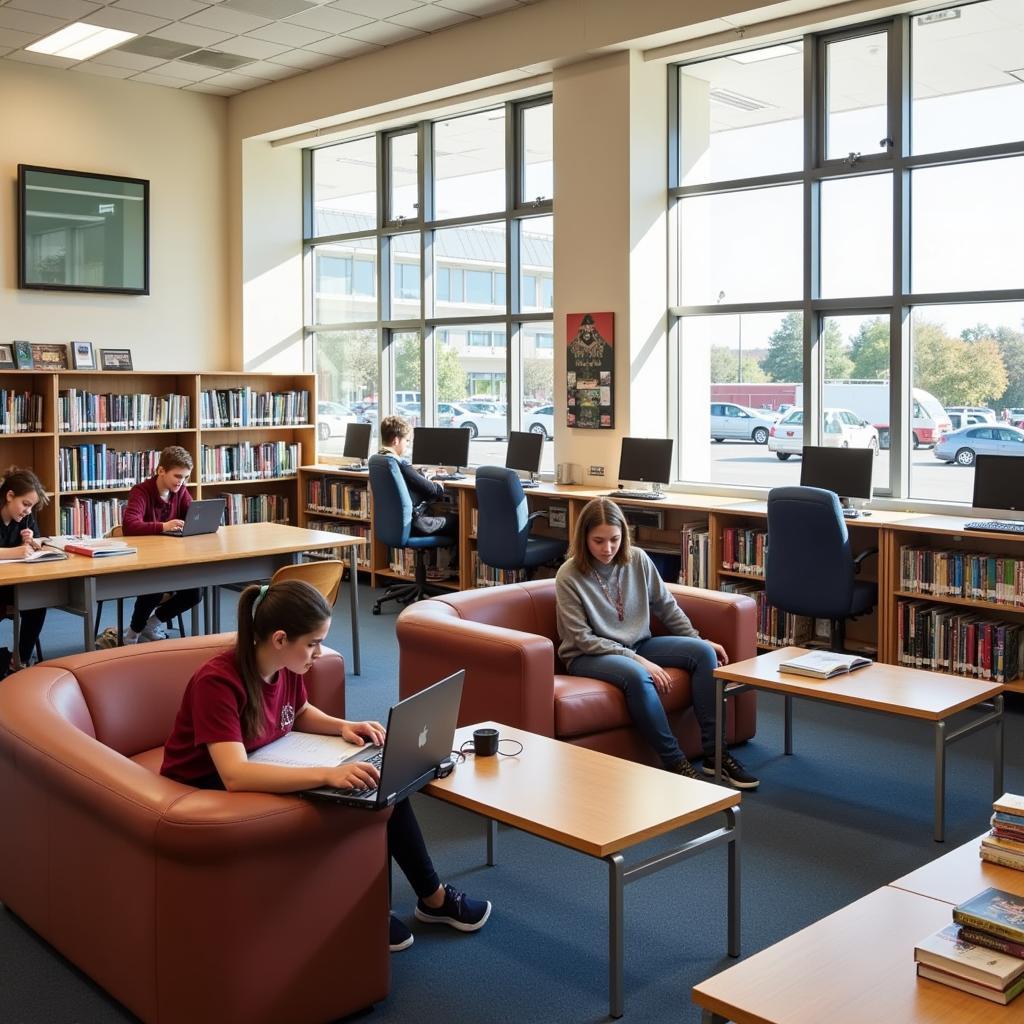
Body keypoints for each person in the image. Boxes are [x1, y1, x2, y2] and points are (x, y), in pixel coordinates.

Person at [160, 579, 490, 951]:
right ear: (280, 639)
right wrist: (326, 774)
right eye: (313, 643)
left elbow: (299, 713)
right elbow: (233, 774)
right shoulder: (218, 682)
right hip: (204, 785)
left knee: (380, 782)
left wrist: (344, 726)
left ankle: (432, 897)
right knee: (346, 792)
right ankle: (366, 910)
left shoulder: (283, 666)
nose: (319, 653)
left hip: (262, 758)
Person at [555, 498, 759, 789]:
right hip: (588, 656)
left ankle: (716, 754)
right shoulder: (569, 575)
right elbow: (581, 639)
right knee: (638, 676)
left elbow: (666, 606)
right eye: (598, 541)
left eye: (614, 539)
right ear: (583, 538)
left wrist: (697, 639)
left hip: (639, 644)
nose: (608, 549)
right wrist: (638, 660)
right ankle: (675, 762)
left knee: (702, 654)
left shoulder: (636, 559)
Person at [121, 445, 202, 643]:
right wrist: (163, 526)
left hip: (173, 559)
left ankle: (152, 623)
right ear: (161, 471)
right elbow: (130, 526)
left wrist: (201, 520)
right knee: (154, 588)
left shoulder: (180, 491)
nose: (181, 482)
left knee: (195, 592)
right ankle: (133, 632)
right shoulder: (141, 492)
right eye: (177, 476)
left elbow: (193, 515)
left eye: (184, 477)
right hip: (144, 560)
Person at [377, 414, 458, 552]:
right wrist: (438, 482)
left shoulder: (379, 460)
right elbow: (434, 491)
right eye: (407, 441)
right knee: (458, 521)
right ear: (396, 440)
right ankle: (454, 572)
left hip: (392, 525)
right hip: (417, 524)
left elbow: (411, 481)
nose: (407, 445)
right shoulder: (399, 463)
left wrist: (423, 474)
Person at [0, 467, 50, 675]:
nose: (28, 511)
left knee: (37, 603)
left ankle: (20, 660)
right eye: (25, 504)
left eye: (31, 507)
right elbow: (16, 553)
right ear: (10, 496)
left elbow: (38, 543)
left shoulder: (25, 517)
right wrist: (16, 551)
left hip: (15, 583)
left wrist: (33, 542)